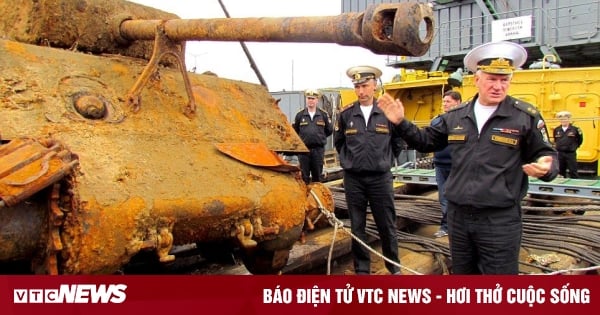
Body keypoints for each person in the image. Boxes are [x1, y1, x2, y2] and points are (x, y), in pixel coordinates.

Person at [376, 41, 559, 274]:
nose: (498, 86)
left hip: (499, 219)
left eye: (504, 80)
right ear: (477, 80)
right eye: (492, 79)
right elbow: (425, 141)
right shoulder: (456, 116)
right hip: (459, 217)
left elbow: (546, 153)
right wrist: (401, 122)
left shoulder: (524, 117)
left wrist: (547, 166)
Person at [334, 65, 403, 275]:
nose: (361, 91)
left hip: (380, 178)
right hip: (354, 179)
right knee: (357, 226)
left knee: (387, 225)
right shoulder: (346, 114)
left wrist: (384, 160)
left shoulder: (385, 113)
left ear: (374, 86)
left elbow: (398, 141)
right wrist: (350, 161)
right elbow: (339, 142)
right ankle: (362, 269)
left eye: (365, 86)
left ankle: (394, 267)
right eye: (357, 87)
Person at [432, 90, 462, 238]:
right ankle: (446, 227)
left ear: (458, 102)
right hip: (440, 165)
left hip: (457, 166)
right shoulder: (436, 121)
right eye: (444, 102)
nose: (445, 104)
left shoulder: (464, 121)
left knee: (457, 197)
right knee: (443, 197)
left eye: (448, 101)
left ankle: (457, 228)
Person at [293, 89, 333, 184]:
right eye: (309, 98)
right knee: (304, 177)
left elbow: (329, 130)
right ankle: (305, 198)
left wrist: (319, 138)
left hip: (318, 151)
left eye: (313, 98)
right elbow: (295, 132)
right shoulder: (300, 115)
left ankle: (317, 196)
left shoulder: (323, 115)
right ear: (306, 100)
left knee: (317, 177)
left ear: (317, 100)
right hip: (304, 151)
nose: (310, 100)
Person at [553, 111, 583, 178]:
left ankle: (575, 186)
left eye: (565, 118)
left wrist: (574, 147)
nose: (563, 120)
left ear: (569, 119)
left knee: (573, 171)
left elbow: (580, 140)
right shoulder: (556, 130)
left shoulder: (575, 129)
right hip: (560, 153)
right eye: (561, 119)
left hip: (570, 153)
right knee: (560, 172)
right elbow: (556, 140)